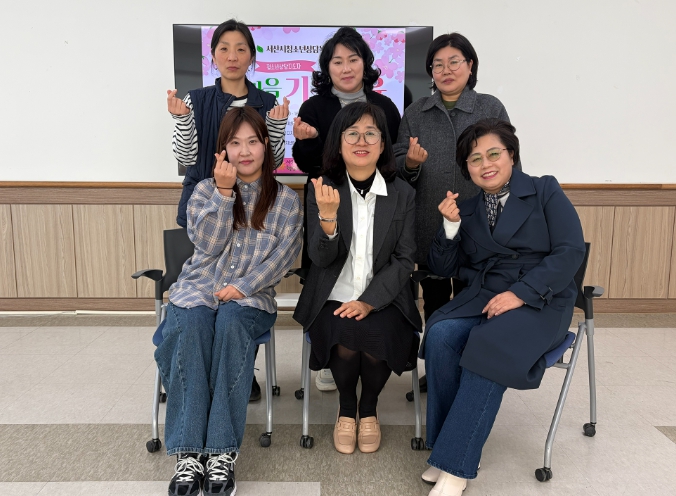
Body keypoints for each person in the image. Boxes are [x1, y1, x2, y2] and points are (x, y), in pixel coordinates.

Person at [419, 119, 585, 496]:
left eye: (493, 153)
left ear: (511, 154)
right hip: (486, 297)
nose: (486, 164)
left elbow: (570, 250)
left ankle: (456, 463)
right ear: (467, 169)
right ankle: (447, 449)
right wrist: (449, 227)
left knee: (489, 342)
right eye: (475, 159)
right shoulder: (468, 209)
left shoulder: (544, 190)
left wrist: (522, 293)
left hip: (541, 299)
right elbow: (443, 267)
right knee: (441, 335)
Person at [155, 106, 302, 496]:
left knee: (232, 322)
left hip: (251, 299)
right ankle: (188, 454)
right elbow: (206, 244)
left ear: (266, 145)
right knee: (190, 327)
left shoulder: (286, 200)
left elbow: (284, 257)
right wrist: (223, 194)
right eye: (235, 143)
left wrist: (244, 286)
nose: (245, 151)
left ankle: (220, 452)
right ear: (223, 149)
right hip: (198, 288)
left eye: (253, 141)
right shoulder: (205, 190)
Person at [167, 18, 290, 402]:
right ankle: (188, 373)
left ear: (252, 56)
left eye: (241, 48)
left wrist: (278, 127)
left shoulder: (267, 102)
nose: (232, 56)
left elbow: (274, 161)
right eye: (224, 48)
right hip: (206, 207)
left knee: (240, 302)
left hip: (252, 209)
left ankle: (239, 372)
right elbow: (186, 155)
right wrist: (182, 119)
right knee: (199, 301)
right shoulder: (196, 99)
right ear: (213, 55)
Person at [293, 102, 422, 455]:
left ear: (383, 144)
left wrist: (368, 301)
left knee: (379, 334)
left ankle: (369, 410)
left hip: (387, 296)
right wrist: (328, 218)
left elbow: (404, 258)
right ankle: (347, 409)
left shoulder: (403, 193)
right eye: (352, 133)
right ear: (338, 143)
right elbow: (320, 259)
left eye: (370, 133)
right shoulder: (322, 187)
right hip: (332, 293)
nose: (361, 141)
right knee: (346, 335)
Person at [292, 26, 401, 392]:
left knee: (372, 265)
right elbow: (307, 165)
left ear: (365, 64)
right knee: (326, 269)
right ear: (327, 68)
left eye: (353, 59)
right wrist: (307, 142)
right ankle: (326, 354)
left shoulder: (385, 108)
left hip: (373, 198)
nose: (346, 67)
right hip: (328, 200)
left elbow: (392, 160)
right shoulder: (313, 107)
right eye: (337, 61)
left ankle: (370, 341)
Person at [394, 32, 519, 326]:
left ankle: (469, 352)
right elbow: (398, 165)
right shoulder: (416, 112)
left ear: (470, 65)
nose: (446, 70)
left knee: (475, 298)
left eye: (454, 62)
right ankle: (436, 354)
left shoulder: (490, 107)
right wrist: (410, 163)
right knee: (434, 301)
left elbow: (509, 162)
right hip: (429, 223)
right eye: (438, 65)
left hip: (482, 224)